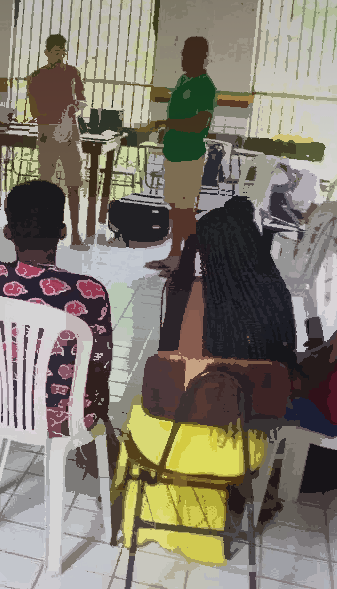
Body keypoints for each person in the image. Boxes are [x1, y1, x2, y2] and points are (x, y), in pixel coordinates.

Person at [119, 196, 296, 564]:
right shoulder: (274, 297)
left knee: (144, 404)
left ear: (204, 251)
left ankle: (152, 515)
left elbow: (169, 368)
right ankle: (233, 499)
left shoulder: (186, 294)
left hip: (167, 445)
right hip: (238, 450)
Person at [0, 180, 114, 471]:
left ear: (7, 232)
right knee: (100, 412)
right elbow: (99, 366)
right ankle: (99, 464)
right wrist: (98, 411)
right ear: (62, 231)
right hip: (63, 417)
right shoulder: (87, 291)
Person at [145, 36, 216, 273]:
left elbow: (198, 125)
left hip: (189, 157)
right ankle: (175, 256)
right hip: (174, 155)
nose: (184, 59)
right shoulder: (183, 80)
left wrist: (167, 123)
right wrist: (168, 130)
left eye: (190, 55)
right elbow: (181, 116)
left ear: (203, 58)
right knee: (176, 209)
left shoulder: (205, 86)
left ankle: (191, 261)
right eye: (183, 54)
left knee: (186, 212)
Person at [26, 34, 87, 247]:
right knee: (46, 185)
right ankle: (46, 230)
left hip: (70, 131)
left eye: (62, 51)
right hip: (47, 132)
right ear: (47, 53)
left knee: (74, 184)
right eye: (55, 52)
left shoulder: (72, 73)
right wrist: (53, 114)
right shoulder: (36, 77)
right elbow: (34, 109)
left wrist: (74, 107)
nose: (59, 55)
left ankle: (76, 233)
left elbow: (82, 101)